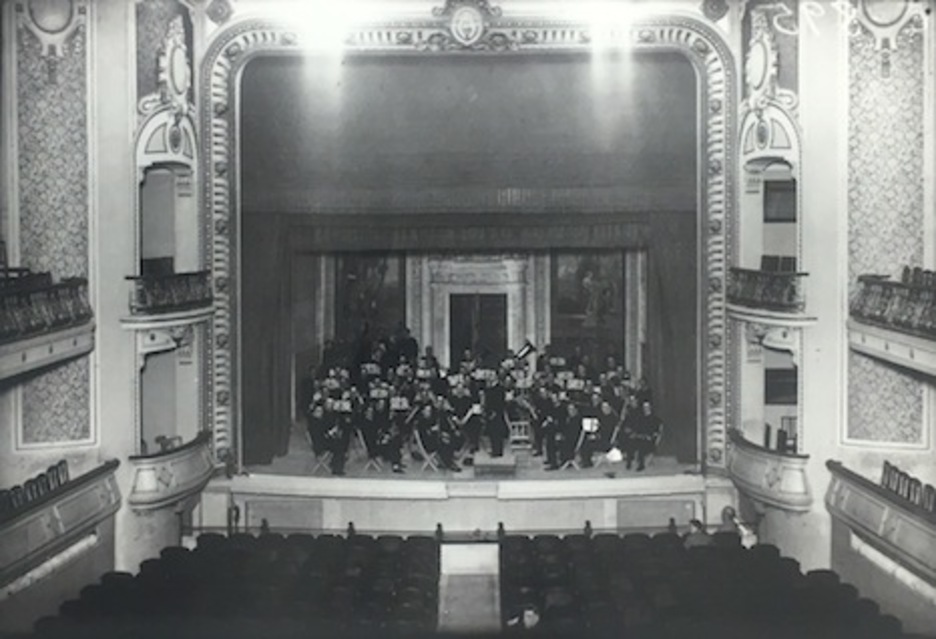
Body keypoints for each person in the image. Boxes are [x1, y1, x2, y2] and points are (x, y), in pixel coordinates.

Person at [620, 400, 662, 471]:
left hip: (649, 441)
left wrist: (648, 437)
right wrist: (633, 433)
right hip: (639, 438)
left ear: (651, 407)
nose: (646, 409)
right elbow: (636, 429)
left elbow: (656, 433)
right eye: (644, 407)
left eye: (647, 407)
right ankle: (629, 462)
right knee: (630, 441)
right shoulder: (640, 418)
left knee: (641, 445)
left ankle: (641, 464)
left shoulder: (656, 420)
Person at [484, 375, 508, 457]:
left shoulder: (500, 389)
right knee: (491, 433)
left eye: (492, 377)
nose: (490, 378)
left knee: (497, 433)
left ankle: (498, 451)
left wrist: (495, 412)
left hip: (497, 413)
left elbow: (500, 402)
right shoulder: (488, 388)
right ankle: (494, 449)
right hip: (489, 413)